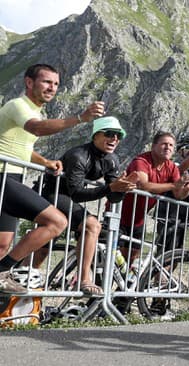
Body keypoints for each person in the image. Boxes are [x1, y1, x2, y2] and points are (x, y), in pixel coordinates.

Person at [0, 64, 104, 293]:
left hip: (13, 177)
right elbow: (36, 129)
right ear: (29, 82)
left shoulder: (35, 111)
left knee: (3, 244)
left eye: (56, 84)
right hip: (2, 176)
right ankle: (3, 270)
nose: (52, 88)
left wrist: (45, 162)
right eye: (47, 82)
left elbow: (17, 147)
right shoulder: (18, 106)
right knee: (57, 221)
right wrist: (80, 118)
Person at [33, 117, 137, 295]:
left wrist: (122, 188)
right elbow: (77, 193)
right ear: (96, 135)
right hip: (53, 192)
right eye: (110, 134)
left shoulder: (112, 159)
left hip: (68, 196)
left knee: (91, 226)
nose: (115, 139)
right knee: (45, 248)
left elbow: (113, 197)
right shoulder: (78, 155)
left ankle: (83, 280)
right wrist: (111, 187)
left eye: (119, 136)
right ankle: (26, 274)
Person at [118, 131, 189, 261]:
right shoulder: (141, 161)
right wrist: (174, 185)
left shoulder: (171, 167)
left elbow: (178, 195)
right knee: (111, 257)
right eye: (164, 144)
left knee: (131, 257)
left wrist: (187, 189)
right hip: (118, 214)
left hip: (138, 219)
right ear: (153, 146)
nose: (168, 147)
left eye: (171, 145)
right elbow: (144, 186)